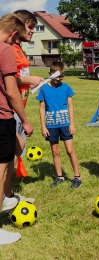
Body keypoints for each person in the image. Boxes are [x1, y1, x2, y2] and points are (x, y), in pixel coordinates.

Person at [0, 13, 33, 245]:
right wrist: (26, 120)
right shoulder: (5, 50)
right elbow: (12, 91)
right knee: (1, 171)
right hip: (2, 117)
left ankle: (9, 198)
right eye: (16, 40)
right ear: (13, 34)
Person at [4, 10, 44, 204]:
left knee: (13, 152)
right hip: (10, 109)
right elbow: (9, 81)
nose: (33, 31)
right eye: (30, 27)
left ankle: (8, 194)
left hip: (20, 107)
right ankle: (6, 196)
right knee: (10, 152)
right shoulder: (8, 48)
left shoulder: (18, 48)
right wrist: (29, 79)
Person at [36, 61, 81, 188]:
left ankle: (77, 177)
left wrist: (72, 124)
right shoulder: (44, 89)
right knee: (55, 151)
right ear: (49, 74)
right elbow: (41, 108)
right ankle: (59, 176)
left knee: (70, 150)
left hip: (65, 123)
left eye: (61, 76)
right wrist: (43, 126)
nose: (58, 79)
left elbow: (71, 106)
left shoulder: (66, 88)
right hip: (51, 125)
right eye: (56, 76)